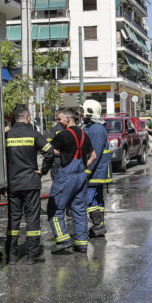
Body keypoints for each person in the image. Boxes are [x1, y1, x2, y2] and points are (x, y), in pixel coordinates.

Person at [4, 105, 53, 264]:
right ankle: (32, 255)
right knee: (32, 219)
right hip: (31, 182)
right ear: (27, 118)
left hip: (13, 183)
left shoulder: (7, 136)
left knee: (14, 219)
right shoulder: (34, 134)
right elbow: (50, 152)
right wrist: (43, 171)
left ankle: (11, 255)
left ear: (13, 119)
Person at [45, 107, 95, 253]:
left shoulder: (63, 135)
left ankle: (63, 240)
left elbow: (49, 150)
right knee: (79, 210)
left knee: (54, 209)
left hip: (66, 176)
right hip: (81, 176)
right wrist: (83, 169)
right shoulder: (85, 135)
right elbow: (94, 156)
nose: (57, 122)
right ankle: (81, 243)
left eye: (59, 119)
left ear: (68, 118)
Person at [81, 100, 111, 238]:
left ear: (89, 112)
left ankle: (98, 226)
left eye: (83, 111)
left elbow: (95, 153)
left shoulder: (96, 129)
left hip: (95, 172)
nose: (80, 114)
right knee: (96, 199)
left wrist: (86, 171)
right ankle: (99, 226)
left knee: (90, 199)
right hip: (97, 171)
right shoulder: (92, 127)